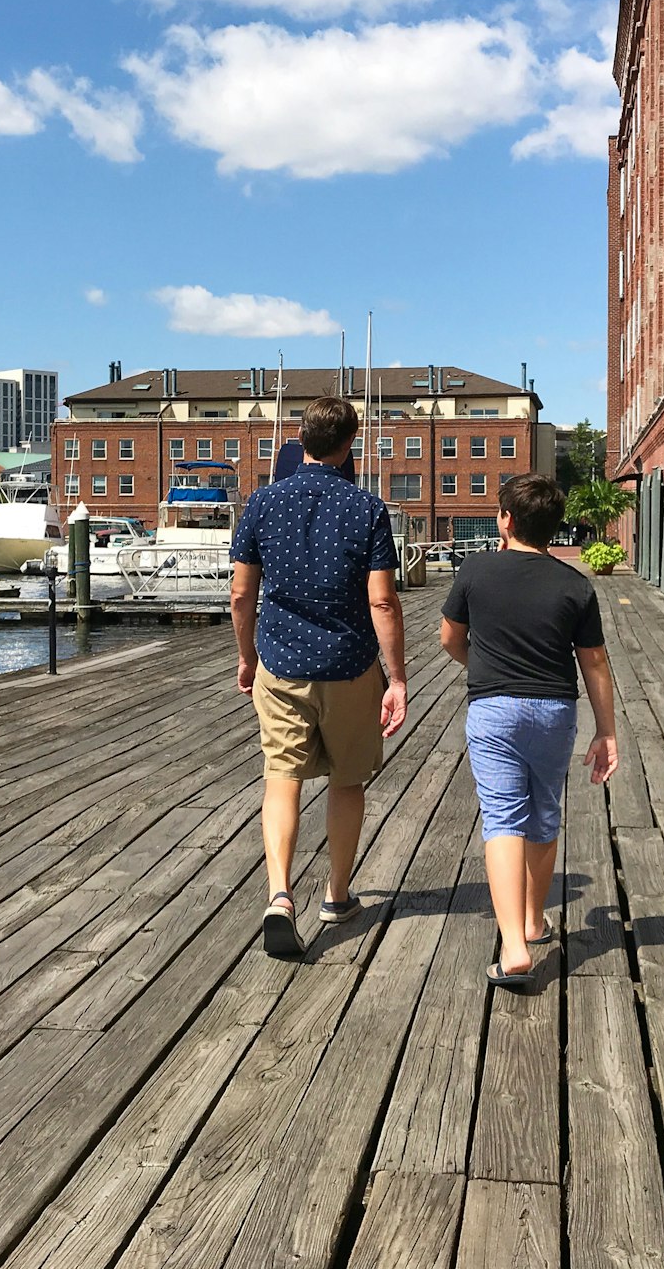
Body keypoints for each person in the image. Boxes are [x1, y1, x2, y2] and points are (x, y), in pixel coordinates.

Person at [231, 395, 408, 958]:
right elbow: (382, 602)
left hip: (280, 664)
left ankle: (280, 895)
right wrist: (397, 677)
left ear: (299, 440)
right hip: (351, 665)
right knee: (348, 779)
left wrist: (245, 657)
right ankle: (336, 894)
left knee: (281, 776)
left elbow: (240, 593)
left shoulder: (260, 504)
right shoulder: (367, 508)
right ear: (349, 444)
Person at [440, 474, 617, 988]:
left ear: (506, 520)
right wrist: (606, 733)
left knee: (502, 818)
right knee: (543, 812)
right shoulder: (574, 583)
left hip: (494, 708)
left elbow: (450, 638)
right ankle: (533, 921)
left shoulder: (476, 569)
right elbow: (596, 662)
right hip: (554, 711)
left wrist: (481, 665)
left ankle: (513, 946)